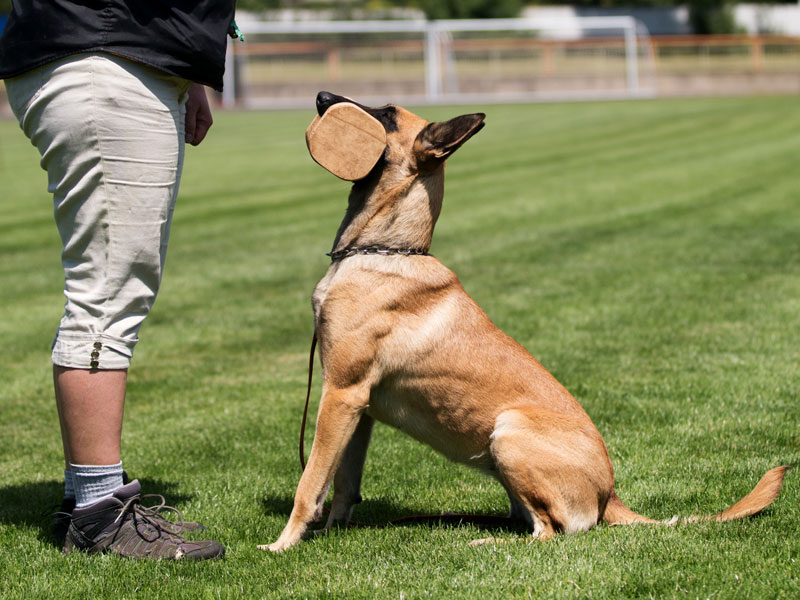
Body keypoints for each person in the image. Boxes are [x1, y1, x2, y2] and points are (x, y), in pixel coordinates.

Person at [0, 1, 240, 560]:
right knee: (108, 291)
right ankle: (98, 512)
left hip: (113, 55)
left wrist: (188, 74)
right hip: (103, 59)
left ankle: (82, 497)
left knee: (111, 285)